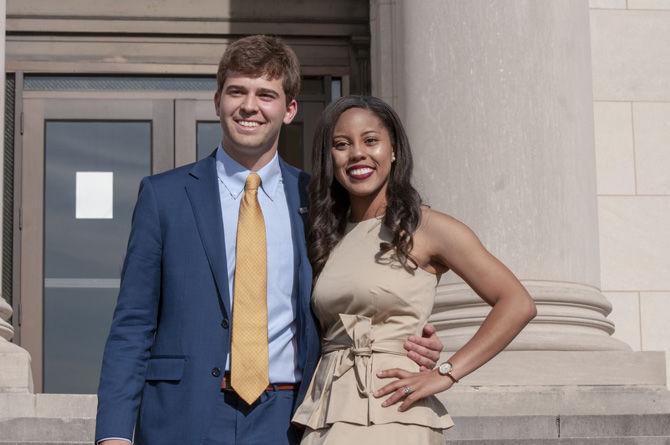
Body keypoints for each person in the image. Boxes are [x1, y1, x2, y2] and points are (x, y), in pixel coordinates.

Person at [95, 36, 443, 445]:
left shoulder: (321, 200)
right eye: (236, 91)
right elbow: (132, 325)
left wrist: (406, 333)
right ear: (217, 101)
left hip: (289, 415)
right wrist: (114, 434)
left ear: (289, 109)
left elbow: (355, 289)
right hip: (183, 414)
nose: (249, 106)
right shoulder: (164, 196)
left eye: (266, 94)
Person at [291, 95, 537, 443]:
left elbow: (517, 302)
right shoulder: (328, 234)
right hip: (328, 406)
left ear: (393, 151)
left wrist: (447, 372)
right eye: (341, 144)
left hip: (392, 409)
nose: (357, 153)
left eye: (371, 140)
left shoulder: (428, 227)